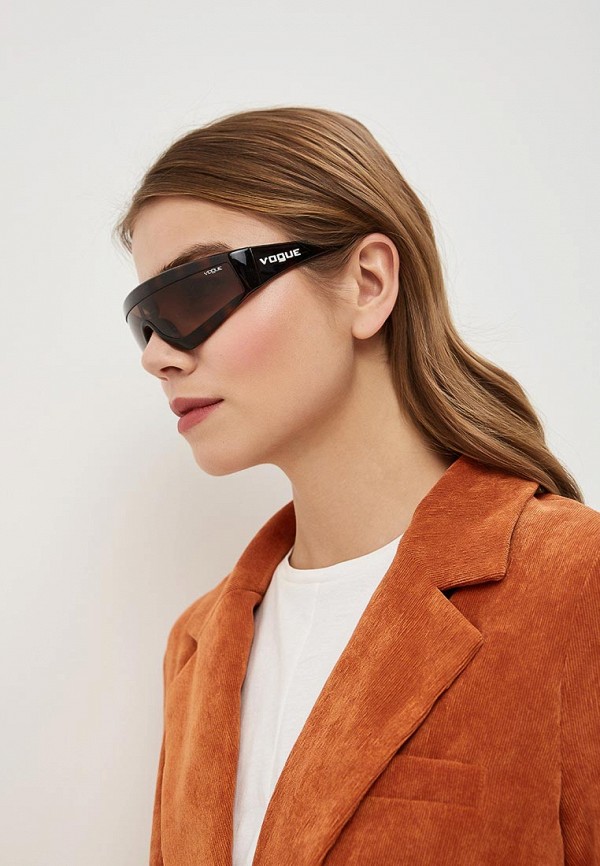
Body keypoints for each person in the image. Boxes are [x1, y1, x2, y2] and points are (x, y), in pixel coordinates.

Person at [113, 106, 599, 866]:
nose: (157, 356)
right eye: (145, 319)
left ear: (368, 283)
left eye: (195, 292)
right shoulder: (196, 647)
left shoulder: (574, 584)